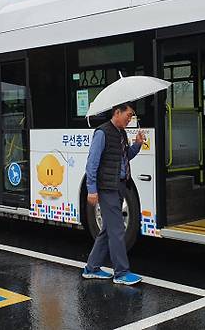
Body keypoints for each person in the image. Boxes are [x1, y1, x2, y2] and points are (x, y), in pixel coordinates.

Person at [81, 102, 145, 285]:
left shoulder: (121, 133)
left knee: (108, 229)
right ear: (117, 112)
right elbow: (91, 163)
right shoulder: (102, 133)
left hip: (119, 186)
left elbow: (125, 157)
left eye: (132, 116)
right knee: (117, 230)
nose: (130, 119)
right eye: (128, 115)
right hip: (107, 187)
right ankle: (121, 272)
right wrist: (91, 189)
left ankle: (91, 268)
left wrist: (138, 145)